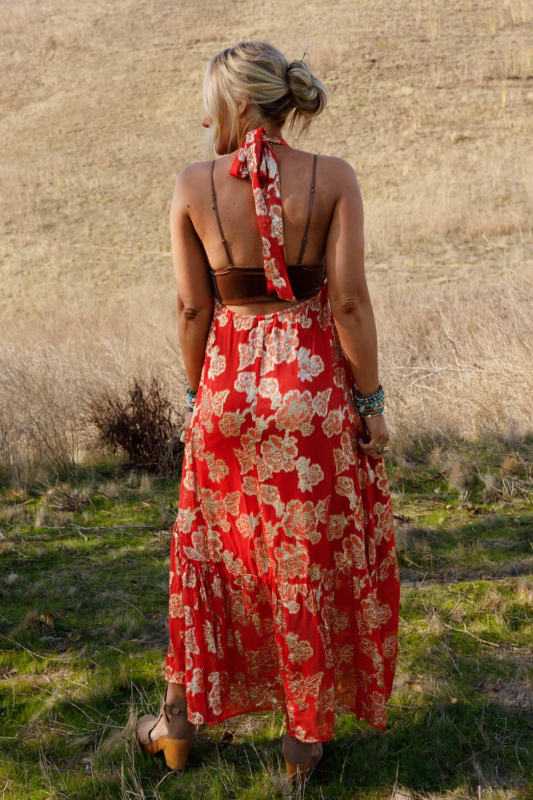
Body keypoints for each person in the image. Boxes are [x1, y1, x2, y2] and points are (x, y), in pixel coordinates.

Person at [137, 40, 400, 788]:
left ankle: (176, 728)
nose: (205, 119)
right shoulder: (333, 177)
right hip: (310, 398)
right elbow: (348, 302)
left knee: (209, 555)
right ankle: (300, 746)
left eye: (212, 104)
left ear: (242, 102)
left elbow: (193, 308)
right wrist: (371, 402)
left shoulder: (192, 184)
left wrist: (199, 398)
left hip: (226, 392)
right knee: (304, 560)